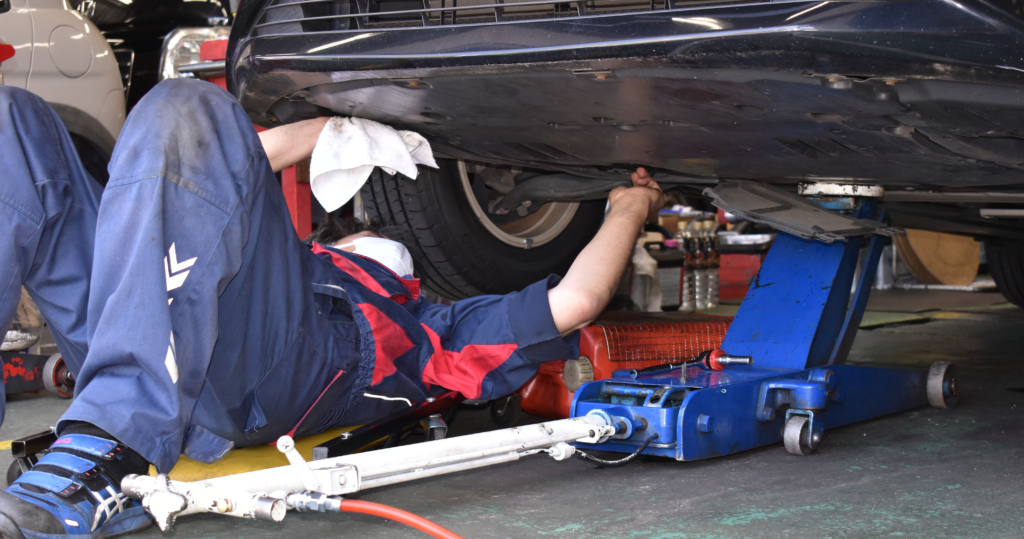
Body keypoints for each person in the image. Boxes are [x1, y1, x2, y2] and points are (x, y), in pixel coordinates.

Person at [0, 79, 664, 538]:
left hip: (255, 379)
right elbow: (201, 174)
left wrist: (629, 206)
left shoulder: (438, 332)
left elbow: (576, 300)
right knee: (11, 124)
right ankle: (115, 421)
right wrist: (337, 129)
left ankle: (103, 455)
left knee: (186, 105)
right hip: (146, 323)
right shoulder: (307, 260)